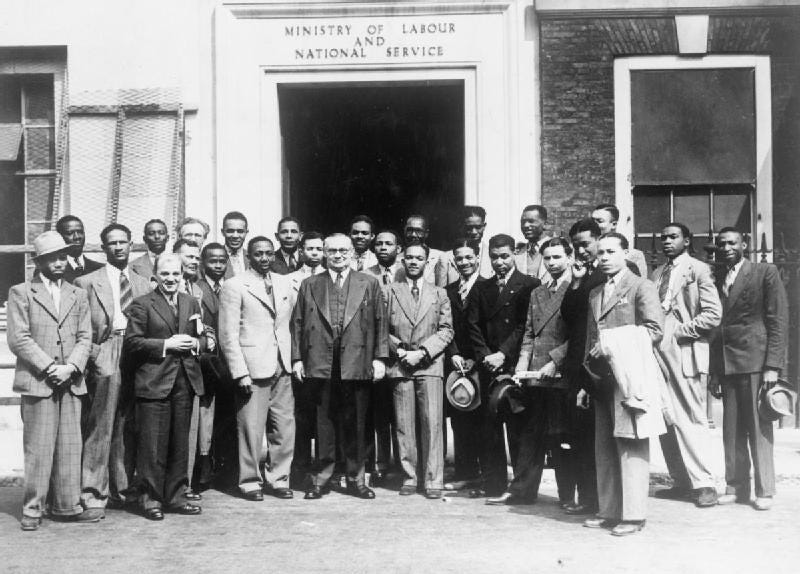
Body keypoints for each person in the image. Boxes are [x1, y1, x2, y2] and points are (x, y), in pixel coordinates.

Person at [8, 231, 97, 530]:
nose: (59, 263)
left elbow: (86, 336)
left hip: (70, 380)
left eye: (62, 257)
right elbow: (19, 338)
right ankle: (33, 509)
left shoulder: (78, 293)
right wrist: (50, 367)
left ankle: (67, 505)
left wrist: (71, 366)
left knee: (70, 446)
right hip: (39, 380)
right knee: (39, 447)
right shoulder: (21, 292)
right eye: (52, 258)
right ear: (39, 262)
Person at [291, 233, 389, 500]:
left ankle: (357, 479)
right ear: (324, 252)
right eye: (332, 250)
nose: (338, 255)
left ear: (351, 253)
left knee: (357, 423)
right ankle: (321, 479)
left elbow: (380, 322)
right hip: (321, 363)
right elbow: (298, 323)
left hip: (356, 363)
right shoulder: (310, 284)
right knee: (324, 424)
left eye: (343, 251)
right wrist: (297, 359)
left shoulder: (369, 283)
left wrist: (380, 359)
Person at [582, 232, 664, 537]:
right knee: (603, 446)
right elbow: (591, 340)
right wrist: (585, 381)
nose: (603, 257)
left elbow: (655, 330)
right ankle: (609, 510)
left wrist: (612, 344)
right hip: (602, 378)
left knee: (631, 443)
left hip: (630, 377)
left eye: (611, 251)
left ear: (625, 253)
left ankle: (633, 515)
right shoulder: (595, 293)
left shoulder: (642, 287)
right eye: (600, 252)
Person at [560, 218, 641, 516]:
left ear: (600, 239)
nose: (582, 250)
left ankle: (615, 505)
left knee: (611, 438)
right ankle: (594, 501)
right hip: (582, 364)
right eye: (576, 245)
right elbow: (570, 316)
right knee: (586, 439)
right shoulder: (586, 276)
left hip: (609, 366)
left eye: (586, 244)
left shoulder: (621, 273)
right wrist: (577, 281)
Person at [74, 224, 151, 519]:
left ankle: (122, 489)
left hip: (137, 350)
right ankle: (93, 493)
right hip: (107, 349)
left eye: (123, 242)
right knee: (101, 423)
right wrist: (95, 354)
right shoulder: (87, 282)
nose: (118, 247)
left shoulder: (143, 282)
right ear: (104, 247)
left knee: (128, 424)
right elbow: (80, 326)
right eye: (112, 243)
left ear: (132, 244)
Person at [123, 253, 207, 520]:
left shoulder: (191, 302)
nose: (171, 279)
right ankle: (150, 499)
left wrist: (197, 344)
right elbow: (132, 343)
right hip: (154, 382)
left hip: (185, 380)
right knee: (153, 445)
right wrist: (165, 345)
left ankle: (177, 496)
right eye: (165, 274)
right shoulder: (142, 304)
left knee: (179, 443)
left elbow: (204, 336)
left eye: (176, 274)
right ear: (155, 277)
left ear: (183, 276)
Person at [490, 238, 573, 506]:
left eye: (557, 257)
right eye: (547, 258)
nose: (552, 263)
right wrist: (522, 367)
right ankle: (523, 491)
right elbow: (528, 333)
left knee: (559, 436)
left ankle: (568, 497)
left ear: (569, 257)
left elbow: (580, 334)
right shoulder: (538, 291)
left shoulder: (575, 289)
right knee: (529, 436)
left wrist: (555, 361)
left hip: (559, 376)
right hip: (534, 376)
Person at [710, 227, 788, 511]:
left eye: (732, 242)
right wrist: (714, 371)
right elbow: (716, 328)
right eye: (722, 244)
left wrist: (773, 365)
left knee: (758, 427)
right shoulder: (716, 275)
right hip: (727, 362)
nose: (727, 247)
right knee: (730, 431)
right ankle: (735, 486)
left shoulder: (764, 272)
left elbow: (777, 320)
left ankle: (764, 490)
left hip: (756, 361)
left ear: (745, 244)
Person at [219, 236, 296, 501]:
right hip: (252, 367)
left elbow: (290, 324)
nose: (264, 258)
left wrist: (293, 360)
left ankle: (279, 478)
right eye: (258, 254)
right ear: (249, 256)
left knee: (284, 426)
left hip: (282, 364)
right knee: (251, 427)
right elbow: (228, 334)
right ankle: (250, 481)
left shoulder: (284, 282)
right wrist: (239, 371)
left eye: (267, 253)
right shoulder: (234, 285)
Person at [651, 223, 722, 507]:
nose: (667, 242)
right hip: (657, 351)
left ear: (687, 241)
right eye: (664, 237)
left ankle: (704, 483)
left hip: (685, 352)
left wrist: (679, 331)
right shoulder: (656, 274)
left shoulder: (698, 269)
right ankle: (680, 481)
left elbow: (712, 315)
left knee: (691, 417)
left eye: (673, 237)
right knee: (666, 418)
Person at [465, 233, 539, 497]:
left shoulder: (529, 285)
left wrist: (503, 354)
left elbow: (525, 326)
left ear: (514, 255)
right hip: (488, 367)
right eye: (494, 257)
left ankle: (521, 489)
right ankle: (492, 484)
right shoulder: (481, 288)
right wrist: (486, 355)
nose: (500, 262)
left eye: (505, 256)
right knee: (490, 428)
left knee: (518, 427)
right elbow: (472, 325)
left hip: (514, 366)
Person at [385, 243, 454, 499]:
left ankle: (433, 479)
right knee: (404, 425)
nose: (414, 262)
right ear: (402, 260)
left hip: (430, 364)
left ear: (427, 262)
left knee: (432, 423)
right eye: (410, 258)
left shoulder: (439, 293)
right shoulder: (390, 291)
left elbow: (447, 330)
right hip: (401, 364)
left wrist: (423, 352)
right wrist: (400, 350)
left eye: (419, 258)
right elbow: (381, 325)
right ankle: (410, 476)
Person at [173, 239, 215, 497]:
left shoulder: (197, 290)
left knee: (190, 432)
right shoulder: (165, 288)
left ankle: (185, 484)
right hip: (168, 368)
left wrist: (207, 338)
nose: (194, 261)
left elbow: (203, 325)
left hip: (193, 368)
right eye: (187, 256)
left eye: (196, 257)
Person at [444, 240, 486, 490]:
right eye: (459, 259)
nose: (464, 263)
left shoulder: (487, 287)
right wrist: (454, 353)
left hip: (479, 362)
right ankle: (464, 472)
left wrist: (476, 359)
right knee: (459, 417)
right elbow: (445, 326)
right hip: (457, 363)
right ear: (453, 262)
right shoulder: (447, 291)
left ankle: (484, 473)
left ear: (477, 258)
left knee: (481, 419)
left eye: (469, 258)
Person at [364, 229, 405, 481]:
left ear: (398, 248)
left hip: (406, 354)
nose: (383, 247)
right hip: (378, 352)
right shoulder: (366, 276)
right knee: (378, 413)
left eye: (389, 244)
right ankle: (379, 464)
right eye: (378, 244)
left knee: (402, 413)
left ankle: (404, 464)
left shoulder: (409, 269)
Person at [196, 242, 236, 487]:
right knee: (205, 419)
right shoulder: (196, 289)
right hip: (207, 364)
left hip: (229, 363)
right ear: (203, 262)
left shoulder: (233, 286)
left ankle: (227, 471)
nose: (218, 265)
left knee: (227, 417)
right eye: (213, 261)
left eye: (222, 261)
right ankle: (203, 472)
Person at [436, 206, 494, 286]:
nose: (474, 232)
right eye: (469, 228)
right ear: (462, 227)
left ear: (484, 226)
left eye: (478, 227)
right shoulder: (446, 258)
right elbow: (440, 293)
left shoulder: (492, 255)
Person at [591, 204, 648, 277]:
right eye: (592, 221)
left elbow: (639, 285)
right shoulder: (585, 253)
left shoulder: (633, 256)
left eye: (600, 221)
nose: (593, 225)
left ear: (614, 224)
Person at [56, 215, 104, 283]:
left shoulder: (100, 269)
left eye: (80, 232)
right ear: (59, 237)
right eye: (70, 233)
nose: (77, 237)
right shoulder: (52, 270)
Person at [514, 205, 552, 280]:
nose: (526, 225)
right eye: (523, 222)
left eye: (531, 221)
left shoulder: (560, 248)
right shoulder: (517, 253)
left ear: (545, 224)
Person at [401, 215, 441, 284]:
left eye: (418, 231)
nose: (413, 234)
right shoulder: (397, 258)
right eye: (409, 230)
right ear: (404, 231)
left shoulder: (439, 257)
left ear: (426, 233)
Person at [221, 211, 249, 278]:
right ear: (223, 232)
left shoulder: (252, 258)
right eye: (230, 231)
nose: (235, 236)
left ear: (246, 233)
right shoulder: (212, 257)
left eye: (240, 231)